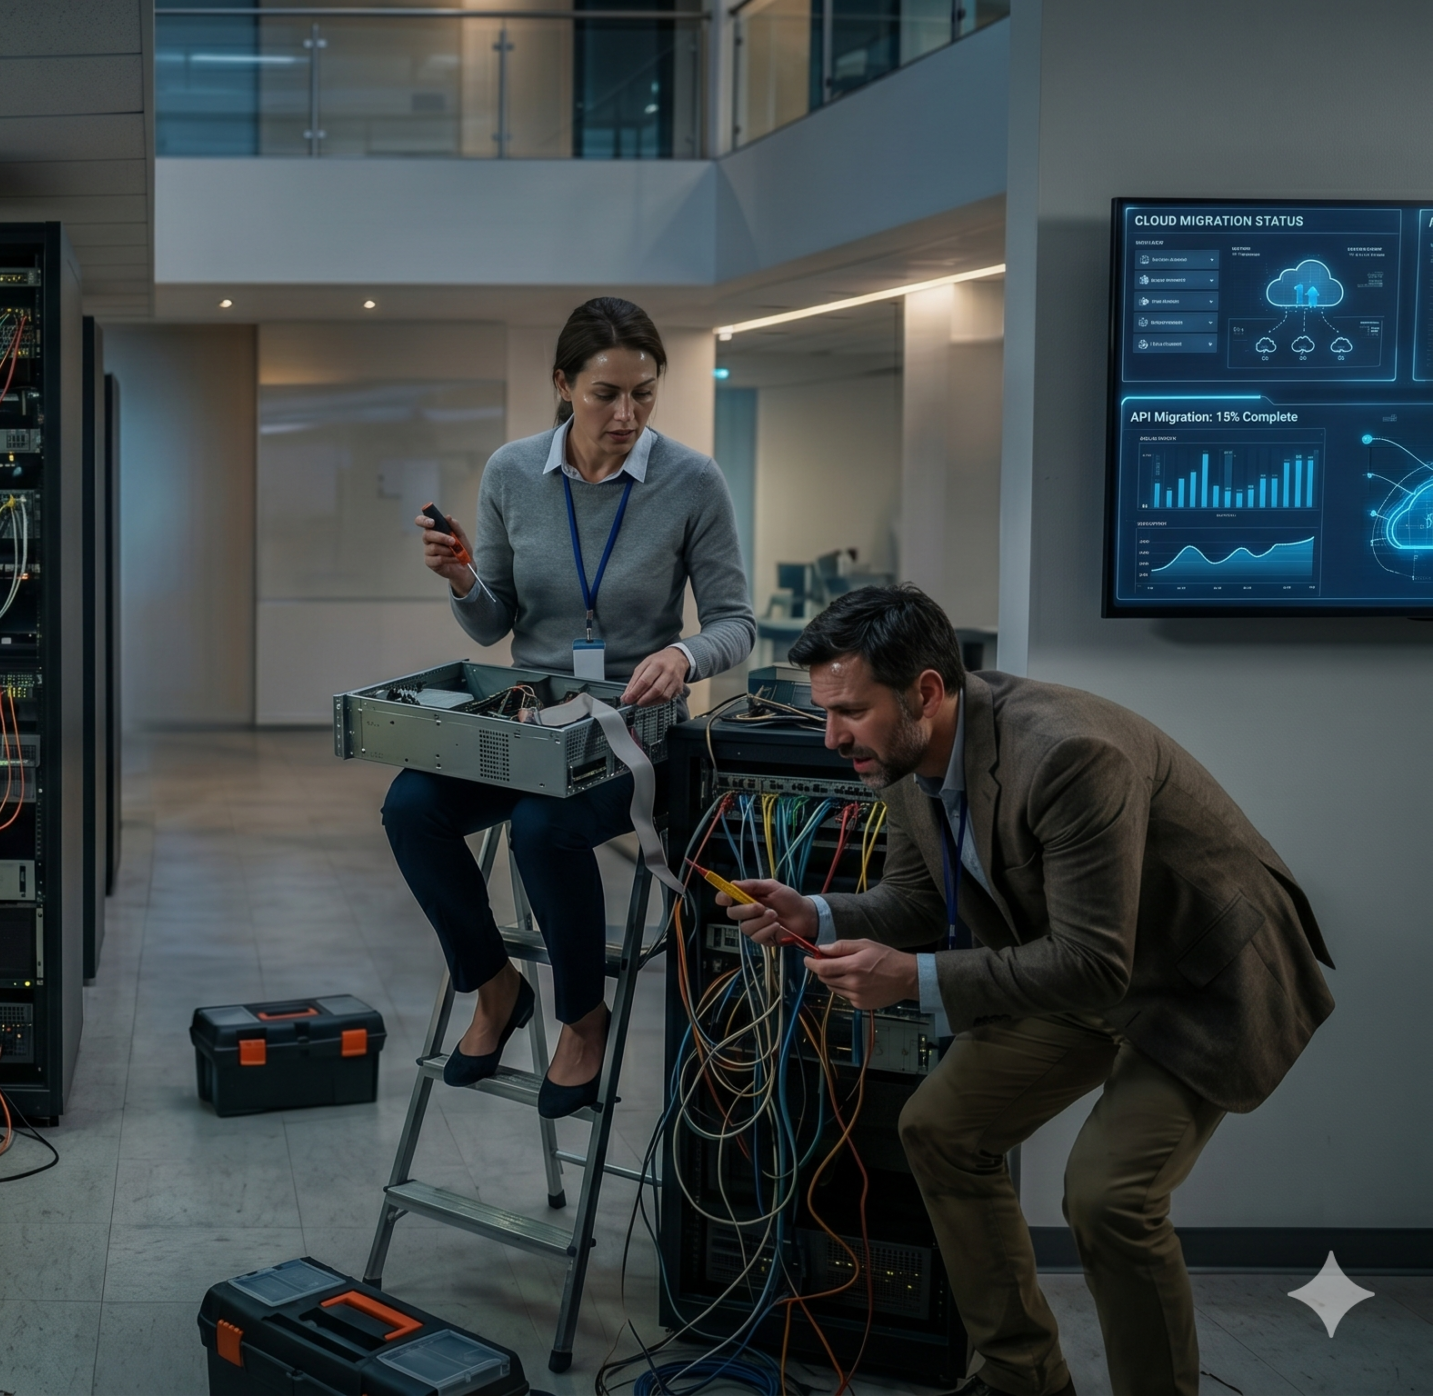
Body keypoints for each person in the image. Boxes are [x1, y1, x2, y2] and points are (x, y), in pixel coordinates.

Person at [723, 586, 1335, 1396]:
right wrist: (818, 908)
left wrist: (914, 977)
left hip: (1199, 976)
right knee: (940, 1128)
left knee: (1108, 1198)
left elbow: (1091, 963)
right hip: (1086, 962)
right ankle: (1023, 1378)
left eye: (850, 712)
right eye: (824, 710)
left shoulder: (1070, 754)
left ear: (928, 693)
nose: (832, 736)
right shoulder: (904, 755)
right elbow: (913, 899)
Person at [384, 296, 753, 1118]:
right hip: (531, 722)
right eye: (605, 394)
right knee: (411, 808)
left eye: (645, 394)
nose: (626, 415)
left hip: (632, 729)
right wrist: (463, 581)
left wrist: (683, 654)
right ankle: (494, 985)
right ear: (562, 384)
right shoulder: (513, 472)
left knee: (543, 829)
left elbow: (737, 623)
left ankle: (583, 1019)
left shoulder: (693, 481)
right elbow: (494, 624)